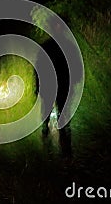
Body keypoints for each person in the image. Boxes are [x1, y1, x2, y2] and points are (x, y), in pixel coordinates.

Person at [36, 22, 74, 158]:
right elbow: (38, 68)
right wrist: (38, 86)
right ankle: (47, 139)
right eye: (56, 26)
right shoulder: (46, 47)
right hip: (49, 85)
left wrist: (74, 83)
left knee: (63, 115)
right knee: (46, 112)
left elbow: (75, 67)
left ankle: (64, 147)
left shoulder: (68, 46)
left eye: (60, 27)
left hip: (63, 85)